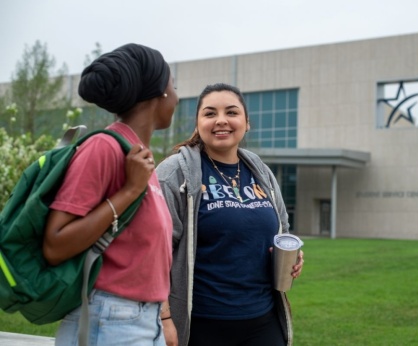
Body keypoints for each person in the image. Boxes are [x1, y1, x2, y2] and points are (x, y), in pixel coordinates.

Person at [43, 43, 179, 346]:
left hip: (143, 320)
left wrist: (163, 320)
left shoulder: (140, 157)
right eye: (174, 84)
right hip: (110, 321)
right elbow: (55, 243)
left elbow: (146, 256)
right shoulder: (104, 147)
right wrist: (130, 191)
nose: (177, 96)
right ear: (161, 92)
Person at [156, 83, 304, 346]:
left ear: (247, 123)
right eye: (210, 113)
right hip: (201, 324)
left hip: (263, 321)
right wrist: (165, 319)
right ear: (198, 123)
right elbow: (153, 252)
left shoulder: (261, 172)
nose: (221, 120)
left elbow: (282, 229)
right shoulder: (175, 173)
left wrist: (290, 255)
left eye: (232, 112)